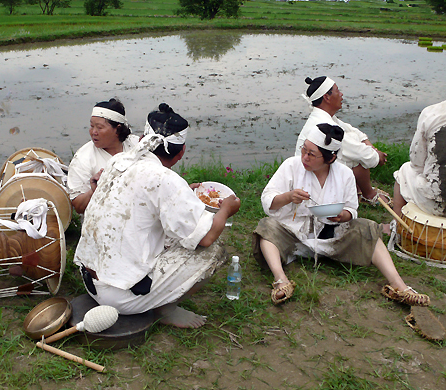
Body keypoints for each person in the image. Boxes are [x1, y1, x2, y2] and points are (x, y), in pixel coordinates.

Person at [73, 103, 241, 328]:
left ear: (143, 138)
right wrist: (226, 210)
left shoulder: (117, 161)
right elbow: (206, 237)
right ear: (181, 152)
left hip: (92, 283)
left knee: (171, 233)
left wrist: (183, 196)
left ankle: (149, 293)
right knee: (213, 249)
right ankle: (165, 308)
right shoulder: (165, 179)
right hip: (121, 298)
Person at [254, 122, 429, 307]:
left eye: (311, 154)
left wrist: (342, 216)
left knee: (368, 228)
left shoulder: (344, 173)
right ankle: (281, 280)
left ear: (330, 158)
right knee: (266, 226)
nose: (305, 156)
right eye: (304, 149)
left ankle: (398, 285)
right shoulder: (291, 165)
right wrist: (288, 197)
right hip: (292, 234)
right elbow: (268, 198)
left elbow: (352, 209)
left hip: (332, 234)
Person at [295, 76, 391, 206]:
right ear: (327, 97)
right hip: (312, 180)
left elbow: (351, 130)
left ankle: (357, 190)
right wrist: (376, 155)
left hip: (315, 170)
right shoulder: (324, 124)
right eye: (337, 90)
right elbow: (362, 154)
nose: (341, 94)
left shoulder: (324, 116)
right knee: (357, 159)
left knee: (353, 144)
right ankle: (368, 194)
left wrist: (368, 144)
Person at [67, 98, 139, 214]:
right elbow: (78, 207)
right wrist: (94, 190)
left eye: (99, 128)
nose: (93, 132)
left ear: (118, 129)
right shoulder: (83, 158)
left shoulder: (136, 146)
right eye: (91, 126)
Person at [393, 100, 446, 217]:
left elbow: (416, 162)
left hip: (436, 203)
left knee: (404, 171)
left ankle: (397, 228)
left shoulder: (431, 113)